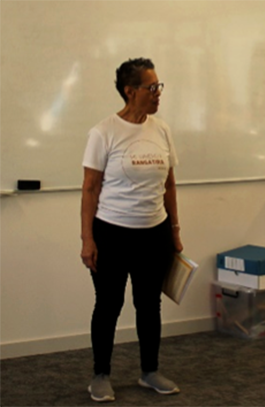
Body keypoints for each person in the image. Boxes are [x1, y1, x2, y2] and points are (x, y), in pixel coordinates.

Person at [81, 58, 182, 402]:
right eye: (151, 88)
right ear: (130, 91)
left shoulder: (162, 129)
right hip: (111, 232)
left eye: (158, 87)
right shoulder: (103, 132)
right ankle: (100, 374)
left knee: (149, 305)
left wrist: (175, 232)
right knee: (108, 304)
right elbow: (90, 188)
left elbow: (169, 185)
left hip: (154, 232)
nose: (157, 94)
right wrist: (87, 240)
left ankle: (149, 371)